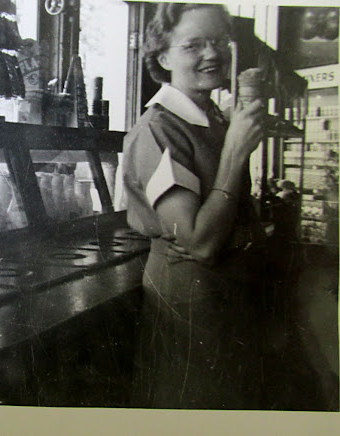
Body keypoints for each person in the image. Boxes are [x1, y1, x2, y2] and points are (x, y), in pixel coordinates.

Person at [121, 3, 270, 409]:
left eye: (219, 41)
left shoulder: (211, 119)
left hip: (227, 301)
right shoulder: (158, 129)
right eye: (193, 45)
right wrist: (236, 151)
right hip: (191, 308)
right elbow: (200, 243)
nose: (212, 54)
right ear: (163, 57)